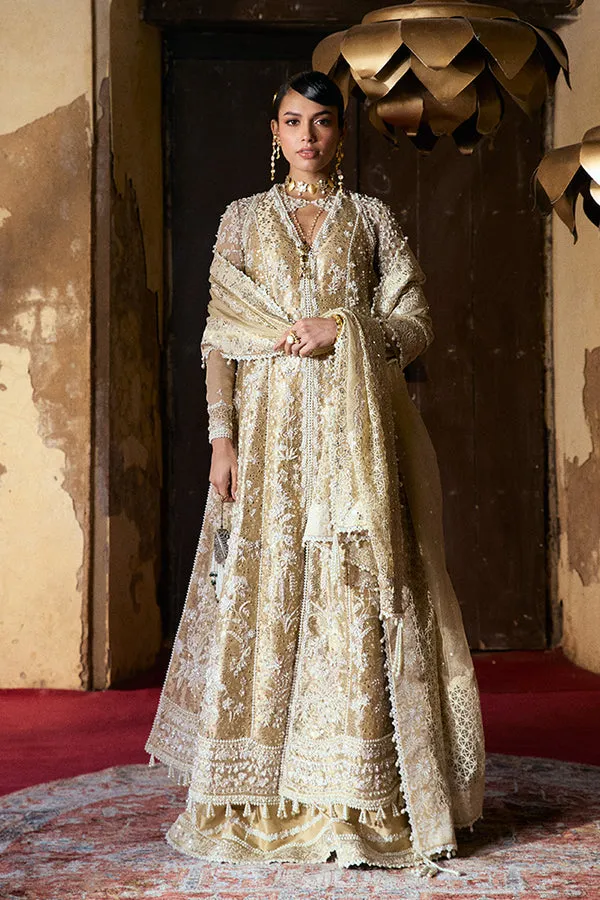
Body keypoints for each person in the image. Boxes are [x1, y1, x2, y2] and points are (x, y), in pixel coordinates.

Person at [145, 70, 485, 874]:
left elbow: (416, 323)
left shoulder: (371, 219)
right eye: (294, 122)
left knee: (353, 595)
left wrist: (345, 326)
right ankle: (257, 800)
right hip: (266, 446)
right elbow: (220, 337)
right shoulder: (241, 220)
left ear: (341, 132)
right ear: (274, 132)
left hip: (352, 444)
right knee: (263, 600)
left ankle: (352, 802)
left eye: (323, 121)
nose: (308, 136)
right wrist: (221, 440)